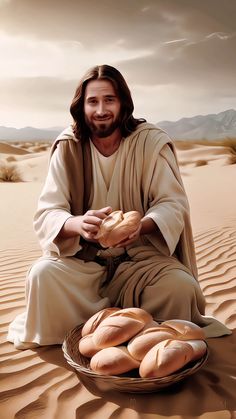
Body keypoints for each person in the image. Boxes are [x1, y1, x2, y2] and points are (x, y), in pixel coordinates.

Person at [8, 64, 231, 349]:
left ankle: (141, 340)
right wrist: (78, 224)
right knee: (42, 276)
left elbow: (171, 204)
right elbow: (49, 210)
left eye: (109, 100)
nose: (101, 109)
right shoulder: (69, 147)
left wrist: (141, 227)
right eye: (93, 101)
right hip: (83, 261)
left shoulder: (150, 142)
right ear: (81, 106)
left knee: (180, 287)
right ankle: (98, 337)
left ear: (123, 102)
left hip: (140, 260)